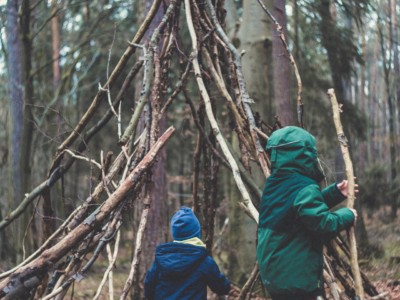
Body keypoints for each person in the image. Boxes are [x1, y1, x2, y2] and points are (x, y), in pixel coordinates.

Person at [256, 126, 358, 300]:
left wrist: (336, 193)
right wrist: (348, 215)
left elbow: (299, 212)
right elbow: (323, 224)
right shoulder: (304, 187)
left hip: (275, 276)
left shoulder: (275, 184)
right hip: (297, 280)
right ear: (305, 154)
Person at [144, 206, 231, 300]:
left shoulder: (161, 259)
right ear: (196, 232)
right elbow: (222, 288)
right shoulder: (204, 261)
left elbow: (149, 285)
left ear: (175, 233)